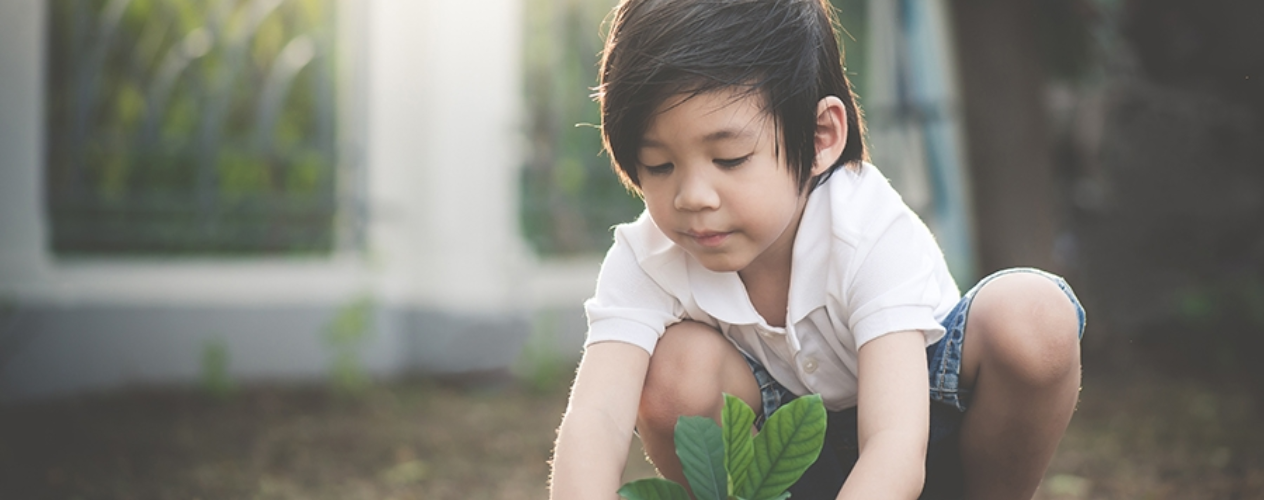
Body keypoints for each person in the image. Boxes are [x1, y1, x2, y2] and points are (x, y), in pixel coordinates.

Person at [548, 0, 1086, 498]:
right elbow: (596, 418)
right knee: (675, 370)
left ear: (821, 136)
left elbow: (896, 443)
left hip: (926, 430)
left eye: (730, 158)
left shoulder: (865, 229)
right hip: (780, 464)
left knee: (1033, 315)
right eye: (659, 166)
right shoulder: (649, 256)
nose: (693, 197)